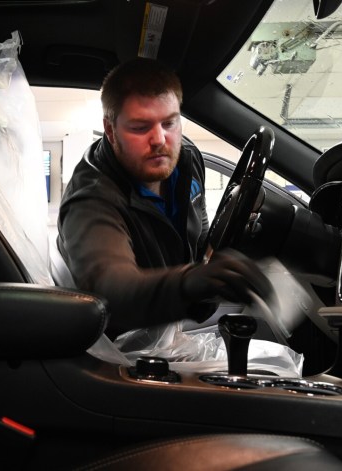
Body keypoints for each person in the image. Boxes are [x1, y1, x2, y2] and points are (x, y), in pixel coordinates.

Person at [57, 57, 270, 338]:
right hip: (121, 348)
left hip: (168, 326)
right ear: (110, 130)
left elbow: (199, 233)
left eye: (169, 123)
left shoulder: (186, 159)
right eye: (140, 127)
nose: (159, 139)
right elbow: (111, 292)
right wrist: (189, 283)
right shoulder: (92, 199)